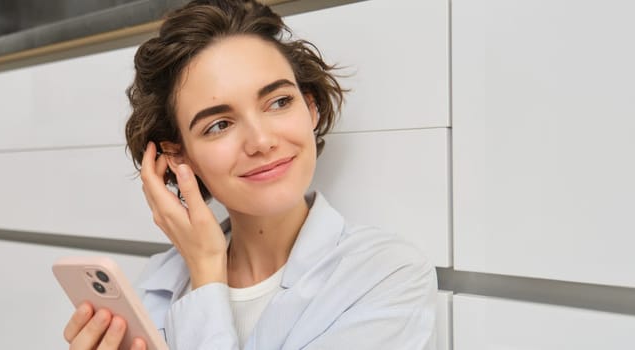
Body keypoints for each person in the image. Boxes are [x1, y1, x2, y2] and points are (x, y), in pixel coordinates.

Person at [63, 0, 437, 349]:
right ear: (178, 156)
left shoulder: (386, 276)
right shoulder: (158, 282)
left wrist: (208, 273)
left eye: (279, 102)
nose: (261, 141)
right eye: (219, 125)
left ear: (310, 109)